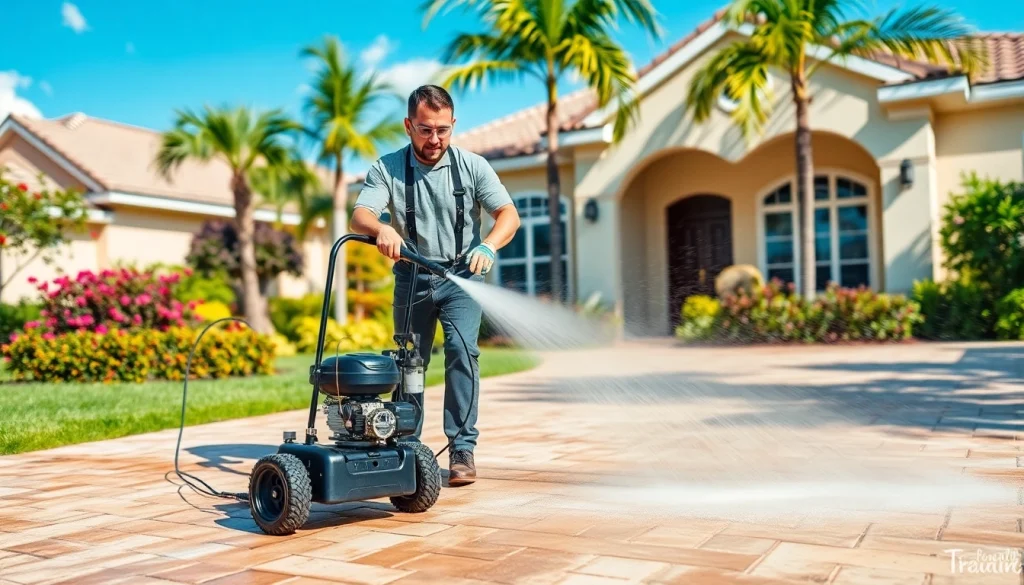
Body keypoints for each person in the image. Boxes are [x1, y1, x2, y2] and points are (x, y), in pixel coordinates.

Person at [350, 85, 521, 485]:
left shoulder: (473, 166)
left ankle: (462, 449)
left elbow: (508, 215)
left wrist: (489, 246)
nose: (435, 140)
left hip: (462, 277)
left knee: (463, 352)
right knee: (409, 361)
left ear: (453, 124)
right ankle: (406, 447)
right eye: (425, 130)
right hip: (412, 277)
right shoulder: (388, 168)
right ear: (409, 125)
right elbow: (361, 215)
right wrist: (382, 229)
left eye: (443, 130)